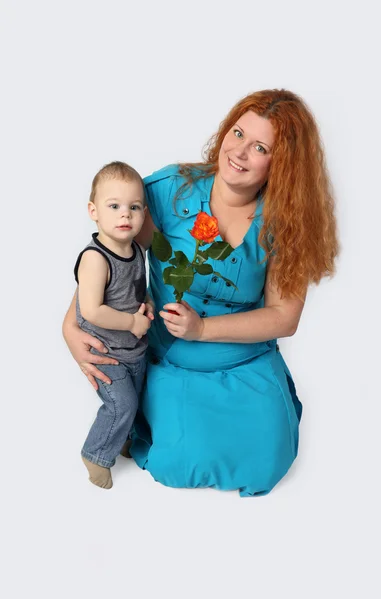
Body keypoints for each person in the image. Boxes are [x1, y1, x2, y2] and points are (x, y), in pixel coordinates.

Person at [63, 90, 338, 497]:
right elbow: (108, 251)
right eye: (238, 132)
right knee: (179, 461)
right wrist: (71, 324)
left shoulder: (286, 221)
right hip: (174, 358)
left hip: (245, 356)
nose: (240, 152)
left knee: (269, 459)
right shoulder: (170, 190)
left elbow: (284, 317)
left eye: (260, 147)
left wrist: (203, 328)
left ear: (282, 164)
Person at [73, 161, 154, 489]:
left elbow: (137, 286)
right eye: (114, 206)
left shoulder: (135, 248)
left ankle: (121, 440)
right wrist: (131, 322)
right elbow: (91, 310)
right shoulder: (95, 258)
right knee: (122, 402)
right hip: (107, 350)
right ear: (93, 211)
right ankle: (95, 453)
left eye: (134, 207)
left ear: (144, 213)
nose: (125, 215)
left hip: (133, 348)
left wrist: (146, 302)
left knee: (136, 397)